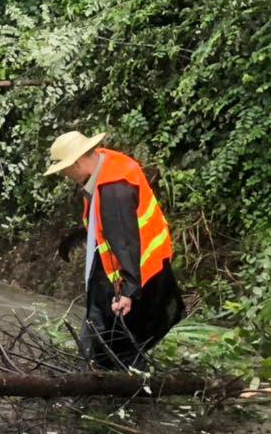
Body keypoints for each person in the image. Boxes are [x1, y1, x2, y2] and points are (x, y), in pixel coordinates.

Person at [44, 130, 185, 369]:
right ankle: (103, 372)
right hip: (142, 261)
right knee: (105, 326)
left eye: (65, 170)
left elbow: (124, 241)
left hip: (141, 267)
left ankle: (130, 389)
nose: (66, 176)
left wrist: (127, 291)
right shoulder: (105, 162)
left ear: (77, 163)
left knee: (121, 341)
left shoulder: (113, 190)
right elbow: (108, 226)